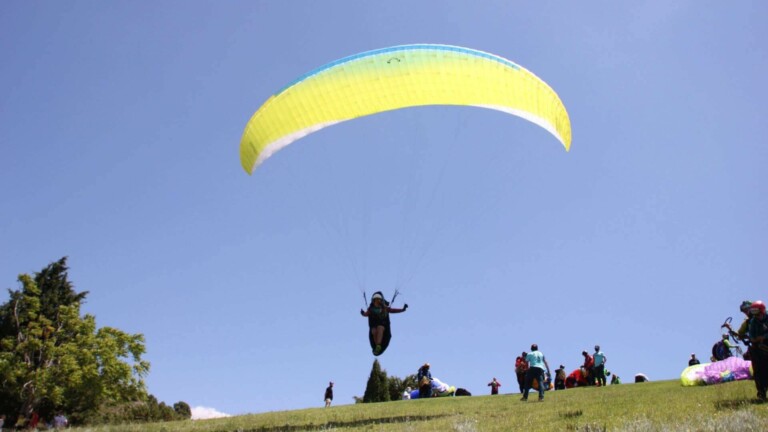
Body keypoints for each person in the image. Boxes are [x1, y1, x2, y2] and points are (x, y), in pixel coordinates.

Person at [360, 292, 408, 356]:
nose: (377, 302)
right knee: (374, 330)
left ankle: (378, 345)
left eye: (378, 300)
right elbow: (366, 314)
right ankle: (376, 346)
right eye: (376, 300)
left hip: (383, 326)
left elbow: (393, 310)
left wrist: (402, 309)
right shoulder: (371, 309)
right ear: (373, 301)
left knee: (380, 327)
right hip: (374, 326)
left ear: (381, 301)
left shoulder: (384, 308)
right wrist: (363, 313)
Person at [748, 301, 768, 400]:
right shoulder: (753, 322)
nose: (757, 316)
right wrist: (756, 339)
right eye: (754, 314)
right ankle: (761, 392)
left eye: (758, 314)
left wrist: (763, 337)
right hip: (758, 349)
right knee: (759, 371)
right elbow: (751, 336)